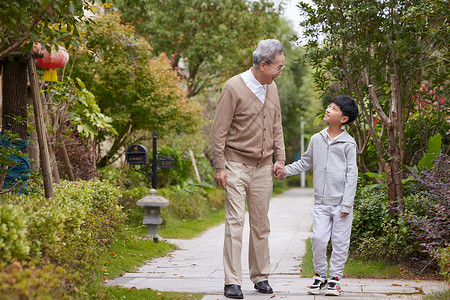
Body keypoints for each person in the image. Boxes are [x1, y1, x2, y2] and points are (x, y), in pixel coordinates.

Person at [211, 39, 286, 299]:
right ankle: (232, 281)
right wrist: (219, 166)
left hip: (264, 166)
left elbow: (277, 125)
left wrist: (281, 159)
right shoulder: (234, 87)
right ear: (262, 65)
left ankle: (260, 276)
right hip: (235, 165)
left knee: (261, 224)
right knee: (235, 222)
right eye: (278, 67)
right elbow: (218, 131)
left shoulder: (272, 87)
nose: (280, 71)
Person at [275, 95, 359, 296]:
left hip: (341, 205)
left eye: (334, 108)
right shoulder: (316, 139)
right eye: (329, 106)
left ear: (344, 119)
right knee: (318, 239)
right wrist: (285, 171)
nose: (328, 109)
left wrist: (347, 204)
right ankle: (320, 276)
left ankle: (335, 279)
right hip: (321, 203)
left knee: (340, 243)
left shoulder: (349, 144)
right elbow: (305, 163)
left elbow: (352, 174)